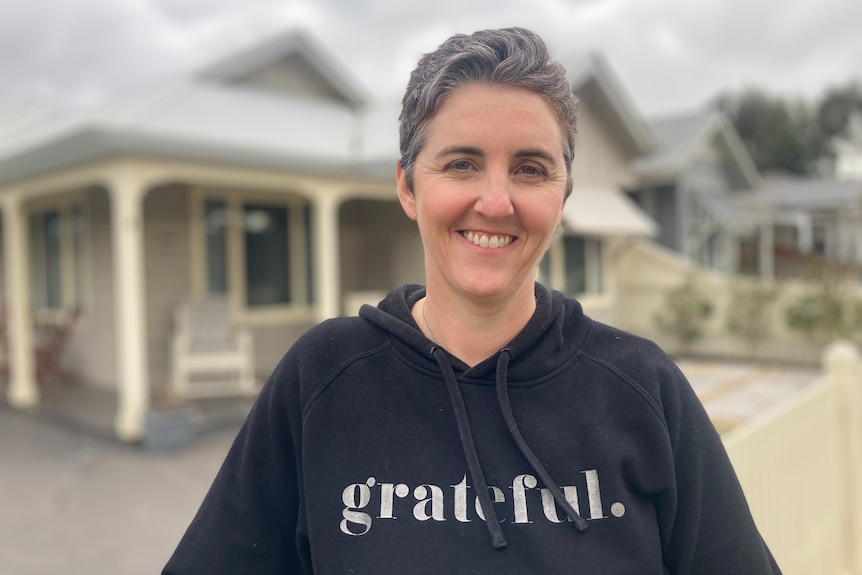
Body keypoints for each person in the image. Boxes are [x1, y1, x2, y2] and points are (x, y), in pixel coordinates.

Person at [163, 27, 782, 574]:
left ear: (562, 198)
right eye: (462, 163)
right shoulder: (323, 378)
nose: (496, 201)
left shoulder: (642, 389)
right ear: (408, 187)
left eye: (531, 169)